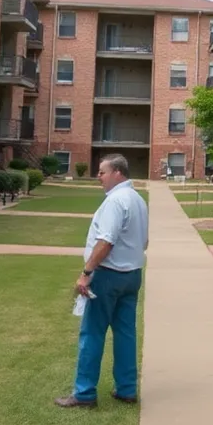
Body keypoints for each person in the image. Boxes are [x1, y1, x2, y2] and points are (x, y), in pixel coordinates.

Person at [55, 154, 149, 409]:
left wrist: (86, 272)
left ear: (118, 173)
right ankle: (127, 389)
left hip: (108, 276)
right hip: (132, 275)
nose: (98, 177)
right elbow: (145, 242)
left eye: (101, 172)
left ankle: (84, 393)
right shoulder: (139, 200)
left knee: (92, 333)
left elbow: (105, 241)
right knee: (126, 333)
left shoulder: (116, 201)